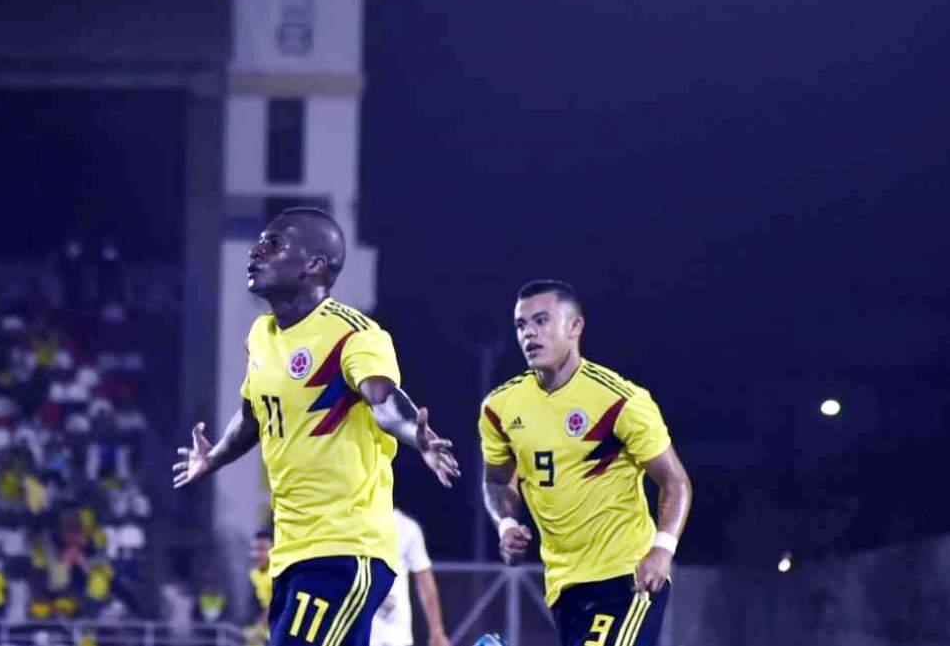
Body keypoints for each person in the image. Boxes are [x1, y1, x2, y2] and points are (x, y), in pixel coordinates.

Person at [173, 208, 460, 646]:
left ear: (315, 265)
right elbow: (253, 415)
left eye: (274, 244)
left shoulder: (355, 335)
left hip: (345, 550)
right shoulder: (261, 335)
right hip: (291, 554)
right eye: (260, 243)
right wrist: (213, 457)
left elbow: (382, 399)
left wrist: (414, 435)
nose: (256, 251)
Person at [479, 281, 692, 646]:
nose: (530, 332)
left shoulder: (620, 400)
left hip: (629, 577)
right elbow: (498, 482)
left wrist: (662, 550)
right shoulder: (500, 407)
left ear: (575, 326)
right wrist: (507, 524)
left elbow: (676, 483)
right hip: (564, 586)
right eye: (521, 325)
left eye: (542, 321)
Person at [370, 509, 450, 646]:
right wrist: (372, 596)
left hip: (396, 635)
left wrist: (437, 632)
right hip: (358, 633)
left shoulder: (406, 527)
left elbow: (425, 581)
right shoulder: (347, 526)